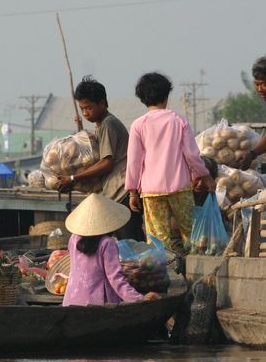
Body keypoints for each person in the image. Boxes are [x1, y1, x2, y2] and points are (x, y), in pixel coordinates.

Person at [125, 72, 215, 254]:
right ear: (166, 96)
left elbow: (133, 161)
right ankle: (195, 270)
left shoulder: (138, 125)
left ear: (142, 98)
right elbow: (192, 155)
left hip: (151, 191)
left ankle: (164, 272)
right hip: (180, 187)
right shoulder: (178, 120)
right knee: (191, 233)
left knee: (158, 238)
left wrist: (132, 191)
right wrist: (204, 175)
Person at [56, 76, 144, 241]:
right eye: (82, 108)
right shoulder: (101, 126)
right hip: (113, 194)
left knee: (132, 243)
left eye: (88, 107)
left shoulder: (108, 124)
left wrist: (74, 178)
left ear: (102, 103)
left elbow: (106, 163)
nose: (85, 113)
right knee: (125, 243)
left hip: (121, 192)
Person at [62, 193, 160, 307]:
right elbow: (116, 279)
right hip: (98, 306)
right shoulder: (107, 243)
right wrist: (140, 299)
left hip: (70, 301)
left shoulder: (74, 238)